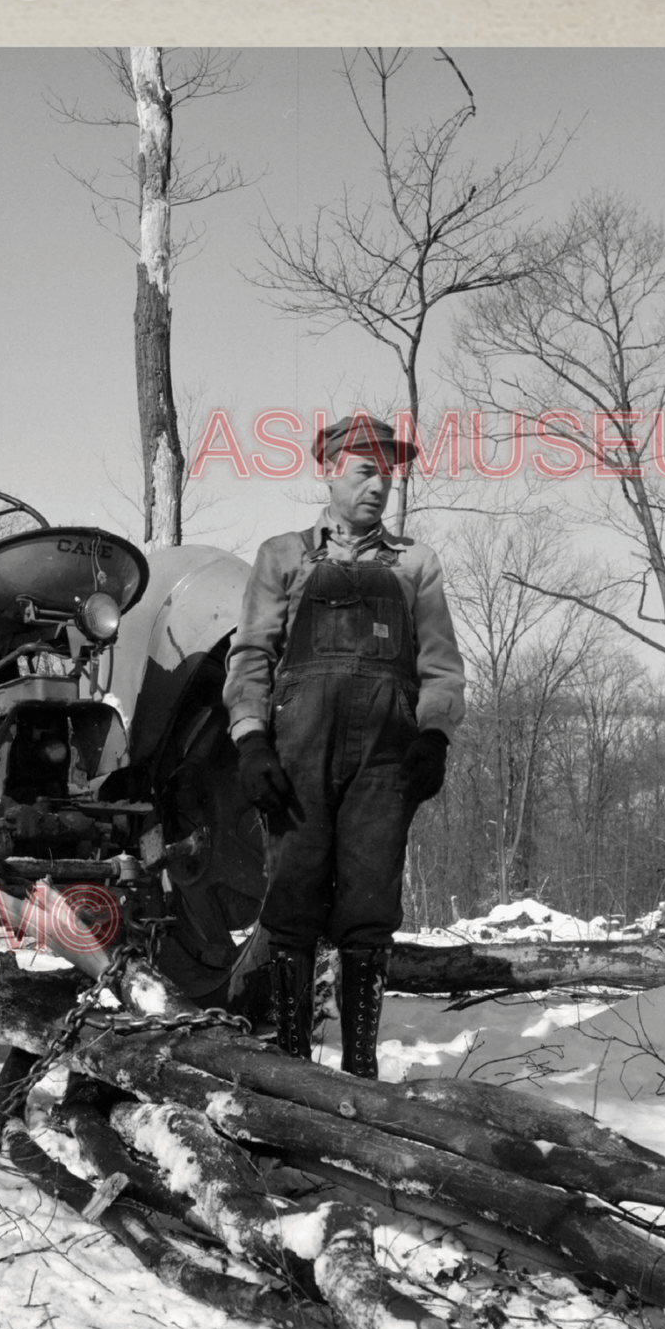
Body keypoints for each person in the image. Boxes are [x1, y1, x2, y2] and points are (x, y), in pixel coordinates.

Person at [224, 414, 466, 1078]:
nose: (377, 486)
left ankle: (361, 1068)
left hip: (384, 759)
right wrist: (250, 740)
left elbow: (440, 664)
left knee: (367, 906)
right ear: (327, 471)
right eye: (363, 471)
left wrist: (434, 733)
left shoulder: (415, 563)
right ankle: (293, 1063)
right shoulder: (283, 556)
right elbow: (250, 654)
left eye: (386, 475)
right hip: (296, 752)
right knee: (293, 897)